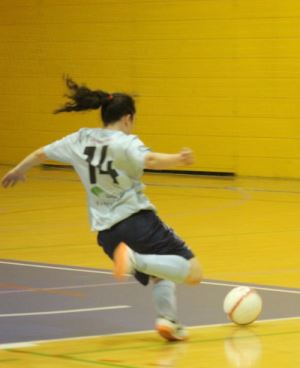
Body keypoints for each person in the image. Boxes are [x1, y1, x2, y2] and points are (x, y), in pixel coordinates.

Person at [1, 77, 203, 341]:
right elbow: (150, 159)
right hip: (137, 222)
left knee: (160, 271)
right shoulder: (124, 142)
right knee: (194, 271)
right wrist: (178, 158)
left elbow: (41, 154)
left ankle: (169, 321)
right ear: (128, 118)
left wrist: (18, 170)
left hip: (107, 235)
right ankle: (135, 261)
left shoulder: (81, 138)